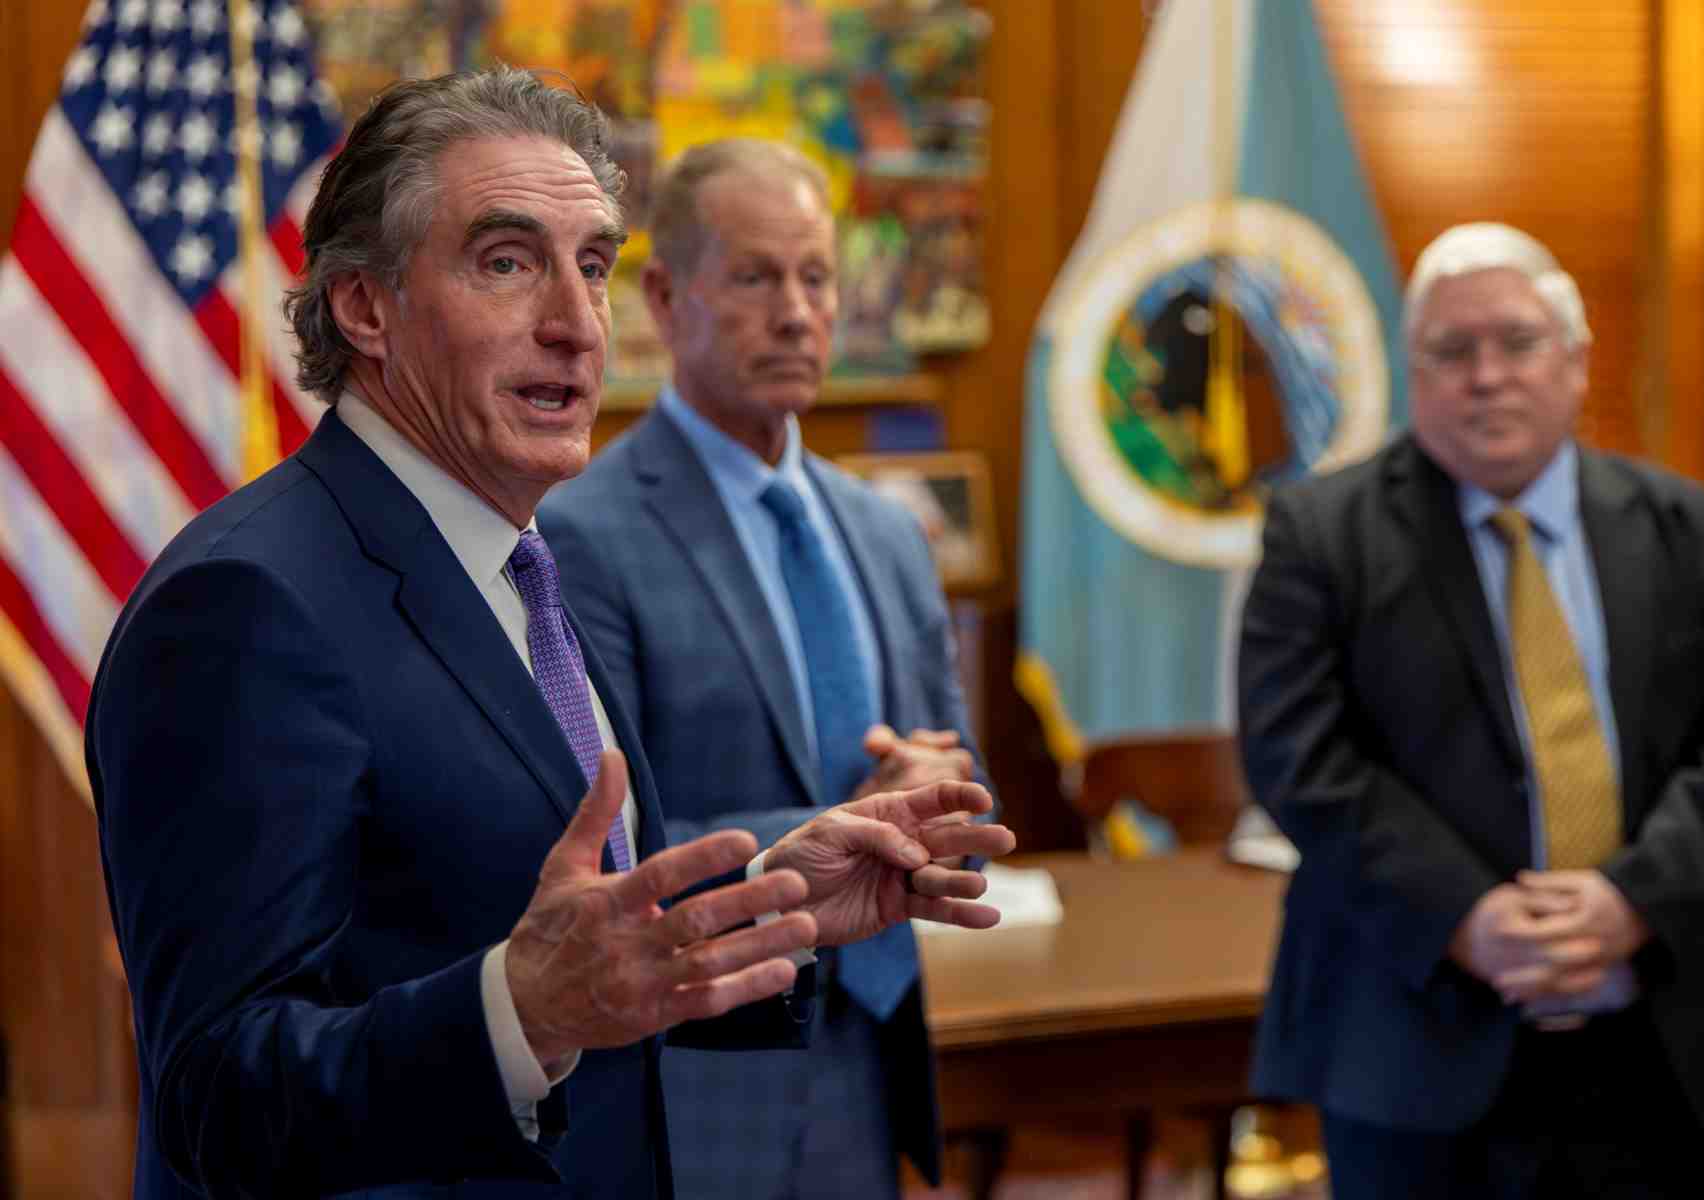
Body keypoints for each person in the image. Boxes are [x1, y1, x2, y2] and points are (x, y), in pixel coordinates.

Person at [85, 69, 1014, 1200]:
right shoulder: (247, 606)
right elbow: (217, 1098)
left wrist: (766, 898)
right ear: (363, 307)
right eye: (508, 261)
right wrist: (515, 1015)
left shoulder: (515, 563)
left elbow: (546, 932)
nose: (578, 327)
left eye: (593, 266)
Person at [1236, 222, 1704, 1199]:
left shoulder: (1689, 528)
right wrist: (1467, 913)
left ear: (1576, 363)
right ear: (1415, 375)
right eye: (1453, 352)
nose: (1487, 376)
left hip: (1662, 1046)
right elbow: (1297, 757)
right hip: (1416, 1048)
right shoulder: (1319, 536)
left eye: (1518, 342)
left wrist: (1634, 897)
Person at [539, 139, 983, 1200]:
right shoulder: (580, 534)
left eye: (817, 277)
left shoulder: (886, 530)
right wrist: (836, 831)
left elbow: (963, 776)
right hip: (696, 1072)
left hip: (875, 1050)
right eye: (755, 277)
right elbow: (599, 851)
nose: (796, 311)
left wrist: (932, 796)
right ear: (661, 295)